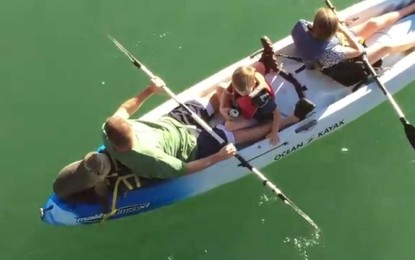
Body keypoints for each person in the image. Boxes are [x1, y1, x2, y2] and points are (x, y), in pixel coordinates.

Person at [53, 77, 274, 202]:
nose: (130, 123)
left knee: (212, 99)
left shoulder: (108, 127)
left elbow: (124, 109)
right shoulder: (151, 159)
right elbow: (186, 168)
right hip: (192, 145)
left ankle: (251, 89)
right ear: (127, 144)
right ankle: (275, 124)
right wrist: (218, 156)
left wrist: (150, 89)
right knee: (229, 133)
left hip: (172, 122)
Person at [218, 37, 315, 145]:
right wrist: (222, 108)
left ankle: (294, 118)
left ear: (253, 85)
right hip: (242, 107)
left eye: (244, 92)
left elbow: (276, 112)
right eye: (238, 90)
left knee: (228, 125)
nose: (239, 92)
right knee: (220, 88)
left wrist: (275, 131)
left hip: (257, 115)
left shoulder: (260, 97)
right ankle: (266, 62)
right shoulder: (238, 84)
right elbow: (227, 92)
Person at [291, 3, 415, 86]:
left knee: (373, 23)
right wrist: (343, 30)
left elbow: (321, 30)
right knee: (385, 48)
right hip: (345, 68)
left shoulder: (302, 25)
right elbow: (359, 51)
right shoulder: (332, 52)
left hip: (334, 42)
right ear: (333, 32)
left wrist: (335, 24)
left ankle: (409, 8)